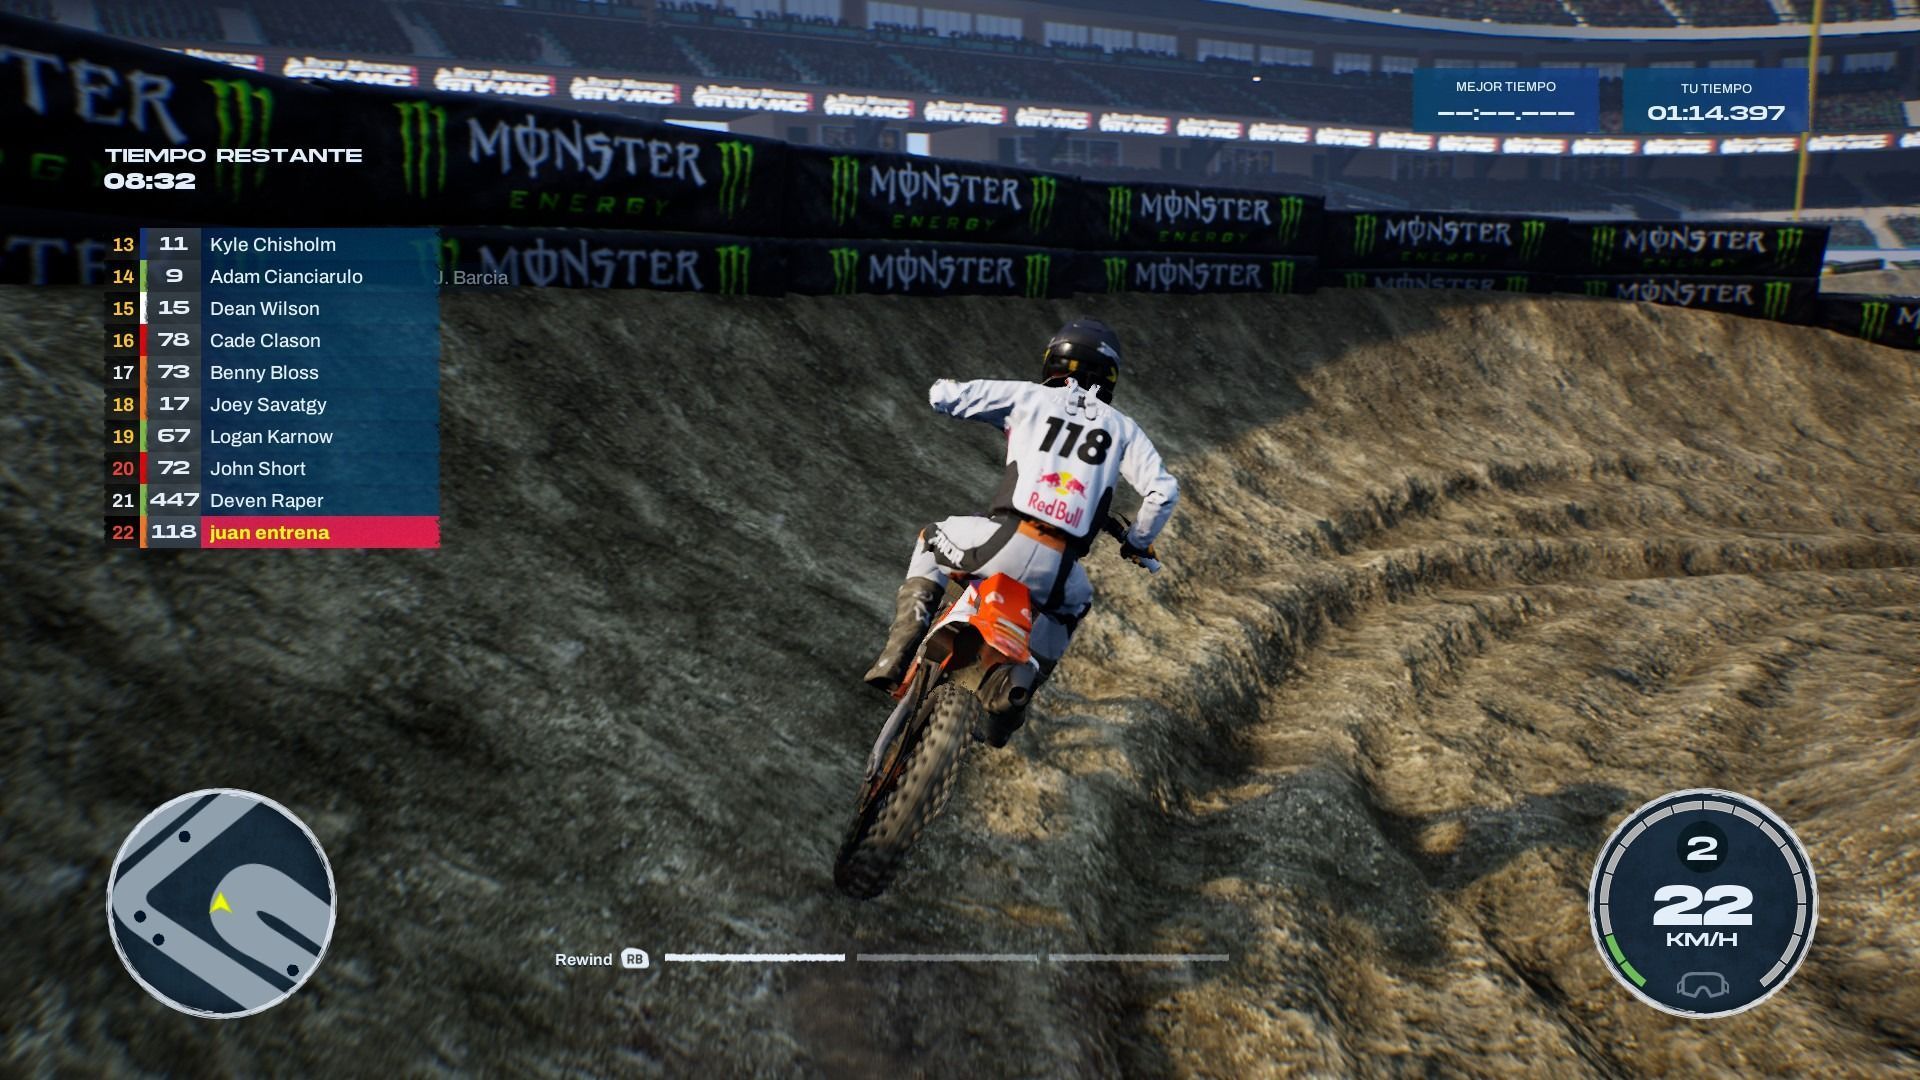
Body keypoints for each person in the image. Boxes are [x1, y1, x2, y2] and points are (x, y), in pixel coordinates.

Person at [863, 317, 1180, 745]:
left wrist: (947, 390)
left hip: (1002, 543)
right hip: (1059, 572)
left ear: (1054, 361)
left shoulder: (1027, 396)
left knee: (930, 538)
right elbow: (1163, 492)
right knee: (1075, 605)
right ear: (1109, 376)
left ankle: (896, 657)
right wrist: (1138, 541)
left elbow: (946, 396)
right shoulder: (1124, 429)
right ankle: (1010, 706)